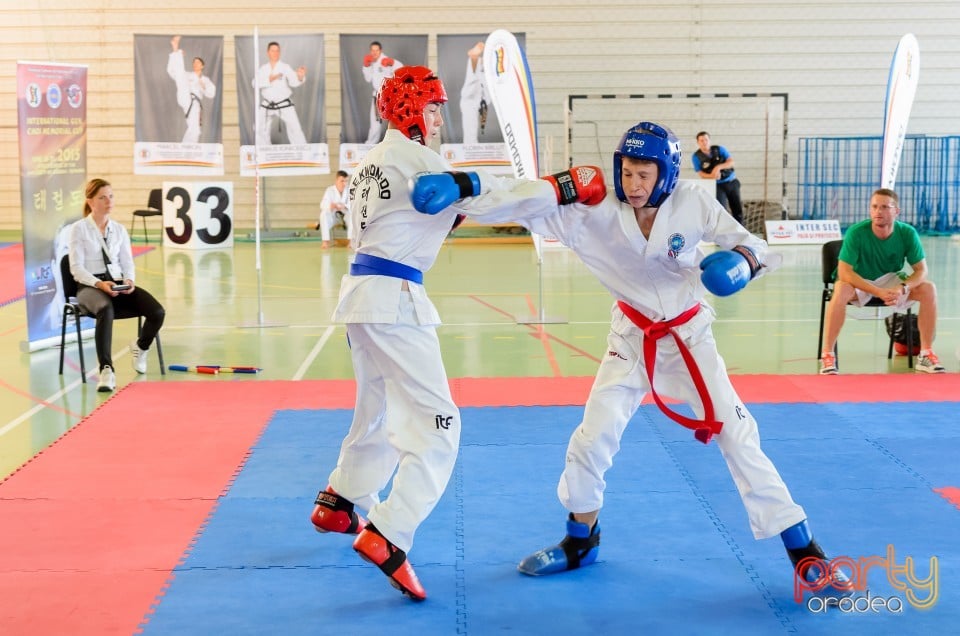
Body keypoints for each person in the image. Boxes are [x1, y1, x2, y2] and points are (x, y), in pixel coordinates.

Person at [410, 121, 853, 599]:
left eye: (644, 174)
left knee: (738, 434)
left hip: (688, 338)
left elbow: (755, 244)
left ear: (665, 173)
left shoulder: (693, 200)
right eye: (626, 171)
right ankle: (580, 541)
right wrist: (462, 186)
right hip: (630, 339)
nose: (633, 184)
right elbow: (524, 198)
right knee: (592, 435)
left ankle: (804, 550)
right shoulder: (592, 209)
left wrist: (743, 262)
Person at [307, 65, 605, 602]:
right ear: (409, 111)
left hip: (359, 300)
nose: (440, 117)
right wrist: (560, 188)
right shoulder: (421, 160)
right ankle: (388, 533)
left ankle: (340, 501)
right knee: (441, 428)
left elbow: (425, 218)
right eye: (433, 108)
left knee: (376, 407)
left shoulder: (369, 164)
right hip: (396, 303)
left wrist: (461, 199)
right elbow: (492, 201)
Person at [819, 188, 945, 374]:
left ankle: (925, 354)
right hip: (859, 280)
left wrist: (902, 288)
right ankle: (828, 355)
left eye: (885, 207)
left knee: (929, 289)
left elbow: (921, 270)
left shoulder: (907, 233)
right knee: (841, 288)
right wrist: (878, 292)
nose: (878, 211)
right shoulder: (856, 232)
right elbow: (845, 273)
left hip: (890, 278)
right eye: (875, 207)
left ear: (896, 211)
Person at [68, 179, 166, 392]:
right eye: (102, 197)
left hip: (116, 283)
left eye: (111, 196)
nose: (108, 201)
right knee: (105, 308)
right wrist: (99, 284)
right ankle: (106, 369)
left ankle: (141, 347)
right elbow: (76, 268)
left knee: (157, 311)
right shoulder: (79, 229)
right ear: (90, 201)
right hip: (89, 286)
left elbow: (127, 263)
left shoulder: (119, 230)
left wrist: (129, 281)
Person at [254, 41, 308, 145]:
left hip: (284, 103)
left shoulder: (285, 67)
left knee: (295, 128)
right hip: (268, 104)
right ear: (268, 52)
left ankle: (302, 153)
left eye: (277, 51)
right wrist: (269, 79)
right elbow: (254, 83)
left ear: (280, 52)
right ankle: (264, 153)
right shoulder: (263, 69)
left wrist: (300, 76)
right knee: (260, 129)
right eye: (273, 51)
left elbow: (294, 81)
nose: (275, 53)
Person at [166, 36, 216, 144]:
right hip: (185, 96)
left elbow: (211, 93)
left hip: (195, 104)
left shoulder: (205, 79)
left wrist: (203, 86)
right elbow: (172, 72)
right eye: (194, 62)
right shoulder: (188, 75)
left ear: (202, 66)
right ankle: (175, 48)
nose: (195, 64)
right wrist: (176, 56)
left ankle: (186, 148)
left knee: (195, 130)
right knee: (180, 75)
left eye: (198, 62)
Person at [692, 131, 744, 225]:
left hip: (731, 182)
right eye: (701, 140)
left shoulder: (720, 149)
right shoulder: (696, 157)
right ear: (698, 142)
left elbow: (731, 162)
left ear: (709, 140)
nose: (704, 142)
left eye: (706, 139)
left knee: (737, 209)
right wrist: (712, 176)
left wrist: (718, 167)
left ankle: (741, 231)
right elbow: (701, 173)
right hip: (717, 186)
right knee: (721, 210)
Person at [361, 41, 402, 145]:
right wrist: (366, 66)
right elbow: (368, 79)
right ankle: (370, 145)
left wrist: (393, 63)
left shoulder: (386, 61)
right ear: (370, 51)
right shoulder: (371, 63)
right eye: (372, 50)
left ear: (380, 51)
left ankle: (398, 143)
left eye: (377, 50)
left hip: (390, 95)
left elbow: (401, 70)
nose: (374, 53)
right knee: (375, 122)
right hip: (377, 96)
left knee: (395, 120)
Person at [460, 41, 490, 144]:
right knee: (470, 129)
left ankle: (475, 59)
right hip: (470, 98)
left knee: (475, 77)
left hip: (480, 97)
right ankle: (474, 58)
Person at [315, 170, 350, 249]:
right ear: (336, 180)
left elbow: (353, 205)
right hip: (333, 216)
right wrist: (330, 205)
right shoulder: (330, 190)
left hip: (345, 215)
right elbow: (322, 205)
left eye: (346, 181)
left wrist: (345, 206)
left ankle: (351, 241)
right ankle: (325, 241)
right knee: (324, 214)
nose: (344, 184)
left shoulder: (349, 190)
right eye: (342, 181)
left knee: (352, 215)